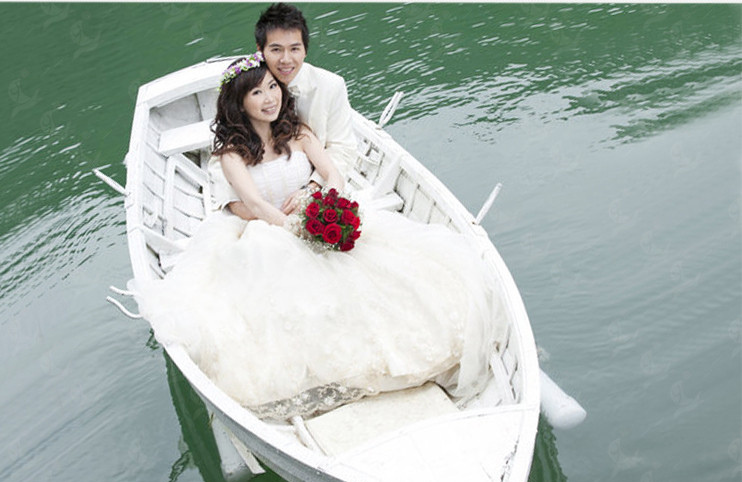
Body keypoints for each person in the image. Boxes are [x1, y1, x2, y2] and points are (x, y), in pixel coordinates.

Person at [135, 56, 498, 422]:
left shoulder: (299, 132)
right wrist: (295, 229)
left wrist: (318, 199)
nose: (269, 98)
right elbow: (254, 204)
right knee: (283, 286)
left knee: (385, 273)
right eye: (257, 93)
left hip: (313, 213)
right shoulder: (231, 153)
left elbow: (333, 174)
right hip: (266, 229)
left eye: (273, 87)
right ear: (239, 103)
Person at [209, 2, 356, 218]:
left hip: (318, 186)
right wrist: (236, 204)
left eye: (295, 49)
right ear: (260, 50)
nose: (286, 60)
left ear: (305, 50)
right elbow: (224, 153)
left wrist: (313, 189)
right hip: (261, 203)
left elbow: (342, 148)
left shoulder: (331, 86)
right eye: (276, 49)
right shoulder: (245, 85)